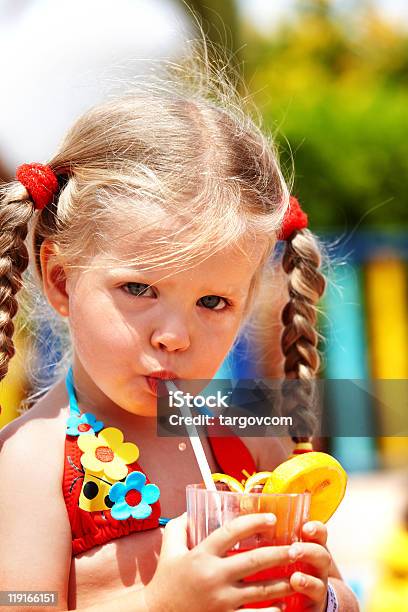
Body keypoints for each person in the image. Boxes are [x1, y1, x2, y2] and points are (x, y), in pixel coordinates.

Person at [0, 48, 359, 611]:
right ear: (62, 281)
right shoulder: (29, 465)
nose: (174, 335)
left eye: (213, 301)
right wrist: (160, 604)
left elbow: (337, 587)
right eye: (139, 290)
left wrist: (325, 599)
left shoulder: (252, 444)